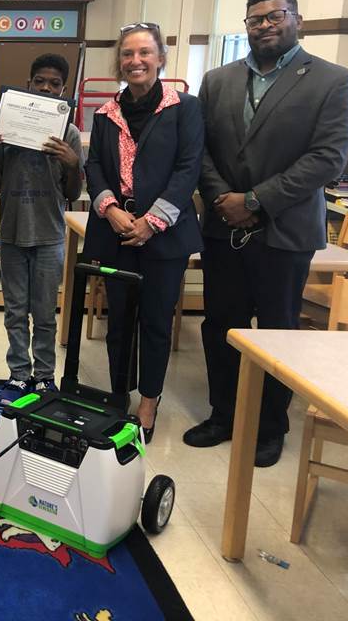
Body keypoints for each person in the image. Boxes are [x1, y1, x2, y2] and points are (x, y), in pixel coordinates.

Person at [185, 0, 348, 466]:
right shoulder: (217, 81)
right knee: (221, 324)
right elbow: (201, 150)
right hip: (223, 227)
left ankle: (270, 426)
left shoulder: (332, 80)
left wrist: (256, 201)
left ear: (296, 18)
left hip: (284, 231)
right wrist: (223, 198)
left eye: (274, 16)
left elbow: (328, 158)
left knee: (279, 330)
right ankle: (223, 415)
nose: (264, 25)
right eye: (254, 18)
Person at [83, 23, 203, 442]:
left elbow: (189, 168)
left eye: (145, 53)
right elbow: (94, 165)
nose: (135, 61)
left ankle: (149, 400)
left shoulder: (184, 108)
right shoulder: (105, 113)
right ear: (119, 60)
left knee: (154, 321)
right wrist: (110, 208)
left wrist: (151, 222)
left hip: (164, 236)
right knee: (120, 319)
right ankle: (119, 393)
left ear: (160, 59)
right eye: (128, 54)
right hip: (115, 229)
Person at [0, 54, 84, 404]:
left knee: (43, 312)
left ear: (63, 90)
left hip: (49, 235)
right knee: (14, 311)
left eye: (54, 83)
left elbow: (72, 193)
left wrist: (73, 164)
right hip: (11, 234)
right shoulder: (6, 127)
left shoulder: (68, 132)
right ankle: (18, 373)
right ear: (28, 85)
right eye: (39, 80)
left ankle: (43, 376)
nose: (45, 87)